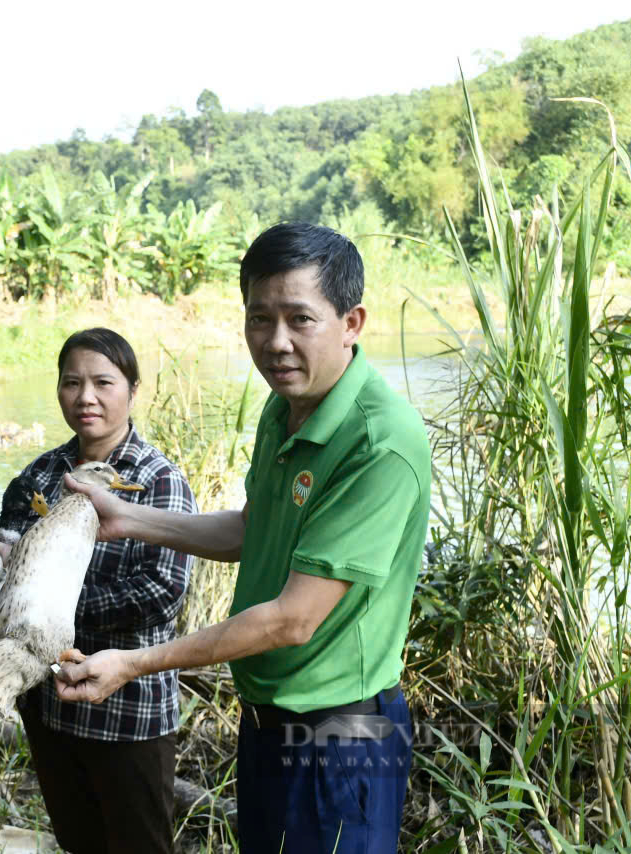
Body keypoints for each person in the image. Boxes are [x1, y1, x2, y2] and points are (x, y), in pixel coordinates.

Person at [54, 224, 431, 854]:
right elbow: (254, 530)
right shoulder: (285, 409)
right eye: (260, 319)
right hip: (267, 718)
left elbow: (292, 620)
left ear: (352, 321)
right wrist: (126, 516)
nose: (276, 343)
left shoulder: (380, 441)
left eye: (299, 319)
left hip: (343, 730)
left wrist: (135, 663)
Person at [0, 327, 197, 854]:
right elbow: (4, 561)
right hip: (51, 704)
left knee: (139, 845)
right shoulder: (41, 476)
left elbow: (162, 590)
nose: (86, 397)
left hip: (128, 709)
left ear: (132, 390)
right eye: (72, 383)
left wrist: (53, 607)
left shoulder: (158, 480)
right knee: (78, 841)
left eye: (103, 382)